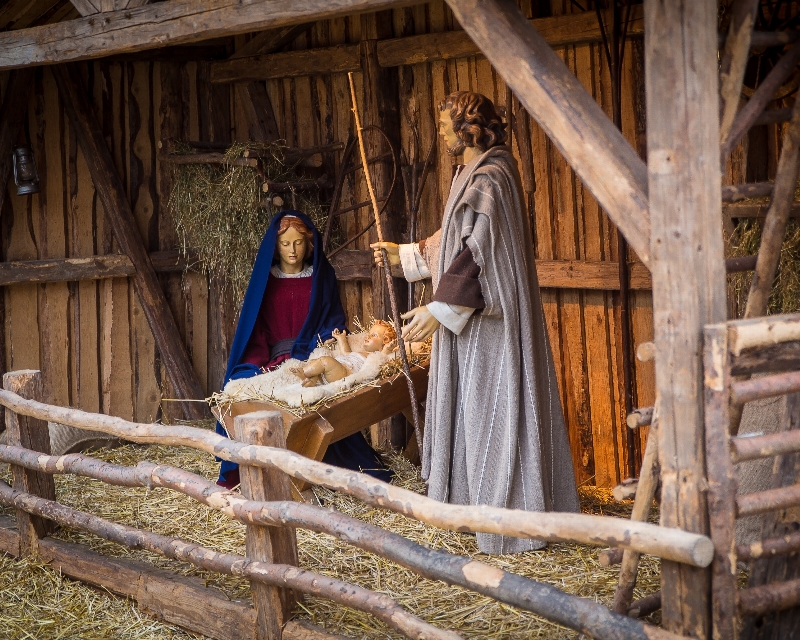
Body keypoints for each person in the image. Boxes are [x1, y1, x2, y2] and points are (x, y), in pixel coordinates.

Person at [371, 91, 580, 554]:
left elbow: (480, 253)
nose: (441, 133)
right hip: (470, 327)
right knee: (472, 413)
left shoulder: (492, 176)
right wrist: (404, 254)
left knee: (495, 411)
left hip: (492, 329)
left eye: (446, 125)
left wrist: (438, 310)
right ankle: (471, 509)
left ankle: (511, 520)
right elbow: (454, 239)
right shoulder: (468, 174)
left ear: (468, 128)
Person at [215, 211, 392, 488]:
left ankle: (316, 464)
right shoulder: (266, 282)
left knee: (323, 393)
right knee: (237, 385)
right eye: (285, 244)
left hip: (312, 353)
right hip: (273, 358)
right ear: (275, 247)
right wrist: (258, 363)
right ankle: (258, 465)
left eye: (298, 242)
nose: (292, 250)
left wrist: (316, 349)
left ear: (309, 244)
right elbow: (255, 330)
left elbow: (332, 321)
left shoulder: (320, 278)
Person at [292, 322, 397, 388]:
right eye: (368, 334)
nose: (368, 336)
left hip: (343, 373)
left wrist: (387, 349)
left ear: (385, 341)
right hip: (334, 369)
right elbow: (346, 353)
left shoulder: (375, 357)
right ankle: (311, 381)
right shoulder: (360, 353)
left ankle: (305, 372)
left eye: (374, 335)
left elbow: (382, 359)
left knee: (325, 361)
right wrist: (341, 338)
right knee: (313, 362)